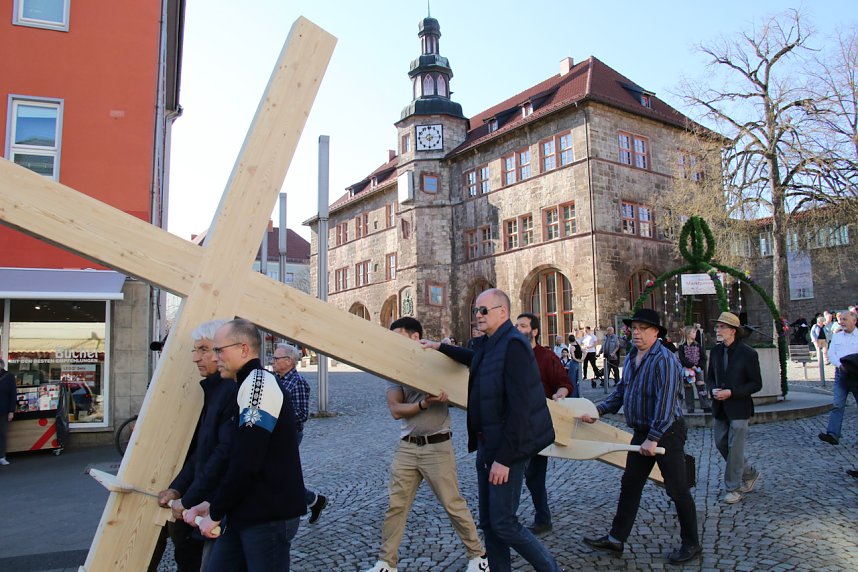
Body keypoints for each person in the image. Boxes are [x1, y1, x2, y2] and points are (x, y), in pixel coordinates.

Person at [423, 288, 562, 572]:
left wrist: (505, 459)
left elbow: (521, 410)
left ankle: (550, 568)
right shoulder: (490, 344)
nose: (477, 316)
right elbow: (475, 360)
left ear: (503, 312)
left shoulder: (514, 345)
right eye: (476, 310)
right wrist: (440, 347)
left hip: (505, 450)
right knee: (488, 522)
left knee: (504, 522)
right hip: (488, 444)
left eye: (484, 311)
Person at [365, 317, 488, 572]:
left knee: (453, 504)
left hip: (438, 446)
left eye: (398, 335)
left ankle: (479, 558)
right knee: (395, 506)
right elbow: (396, 409)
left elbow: (469, 369)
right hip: (408, 447)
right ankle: (386, 563)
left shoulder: (438, 362)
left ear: (414, 337)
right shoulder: (394, 369)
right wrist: (423, 404)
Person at [581, 308, 700, 565]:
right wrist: (597, 411)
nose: (636, 333)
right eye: (634, 328)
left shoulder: (665, 360)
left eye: (643, 329)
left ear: (656, 332)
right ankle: (616, 538)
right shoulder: (634, 355)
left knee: (677, 489)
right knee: (631, 484)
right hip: (644, 431)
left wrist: (654, 438)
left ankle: (692, 543)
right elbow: (622, 392)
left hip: (667, 432)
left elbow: (666, 404)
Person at [187, 319, 306, 572]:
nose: (215, 356)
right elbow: (235, 453)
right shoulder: (244, 384)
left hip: (267, 516)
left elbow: (247, 458)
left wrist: (216, 510)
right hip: (244, 512)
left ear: (243, 349)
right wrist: (212, 504)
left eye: (219, 350)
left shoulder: (258, 385)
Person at [157, 319, 238, 571]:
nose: (195, 358)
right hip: (200, 504)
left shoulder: (230, 392)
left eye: (203, 349)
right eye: (196, 350)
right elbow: (202, 453)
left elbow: (223, 454)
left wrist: (188, 499)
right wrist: (177, 489)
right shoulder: (213, 391)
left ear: (221, 351)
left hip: (214, 506)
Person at [515, 313, 573, 536]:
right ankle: (504, 518)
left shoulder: (546, 357)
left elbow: (564, 382)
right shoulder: (510, 355)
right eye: (516, 325)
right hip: (514, 424)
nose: (517, 329)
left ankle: (543, 518)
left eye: (522, 326)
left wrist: (560, 393)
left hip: (538, 425)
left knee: (534, 476)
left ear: (535, 331)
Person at [706, 312, 762, 504]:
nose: (717, 330)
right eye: (717, 327)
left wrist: (732, 392)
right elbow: (710, 377)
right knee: (721, 443)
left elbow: (756, 384)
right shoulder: (715, 352)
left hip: (739, 407)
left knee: (735, 448)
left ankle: (734, 488)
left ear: (733, 331)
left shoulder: (748, 354)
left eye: (722, 327)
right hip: (720, 407)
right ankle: (749, 473)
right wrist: (712, 389)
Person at [271, 343, 328, 525]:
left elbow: (302, 414)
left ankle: (298, 508)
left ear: (288, 361)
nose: (272, 361)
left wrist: (276, 413)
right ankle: (314, 501)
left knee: (280, 475)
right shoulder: (273, 378)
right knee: (278, 474)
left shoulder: (298, 383)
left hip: (289, 435)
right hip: (272, 433)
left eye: (276, 358)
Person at [818, 310, 858, 446]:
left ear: (854, 320)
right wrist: (840, 365)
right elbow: (831, 353)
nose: (841, 322)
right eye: (840, 320)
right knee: (837, 404)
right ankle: (833, 434)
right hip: (841, 374)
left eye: (844, 319)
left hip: (856, 375)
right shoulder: (837, 337)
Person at [677, 325, 711, 414]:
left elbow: (703, 357)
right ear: (688, 334)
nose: (695, 334)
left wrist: (700, 366)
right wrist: (691, 366)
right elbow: (682, 358)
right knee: (688, 388)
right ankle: (690, 407)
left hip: (698, 369)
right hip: (688, 370)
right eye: (693, 332)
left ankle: (705, 405)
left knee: (701, 387)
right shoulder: (682, 346)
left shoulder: (697, 345)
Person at [0, 359, 16, 466]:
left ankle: (1, 456)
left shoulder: (9, 377)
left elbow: (13, 394)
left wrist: (11, 411)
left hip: (3, 410)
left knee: (2, 434)